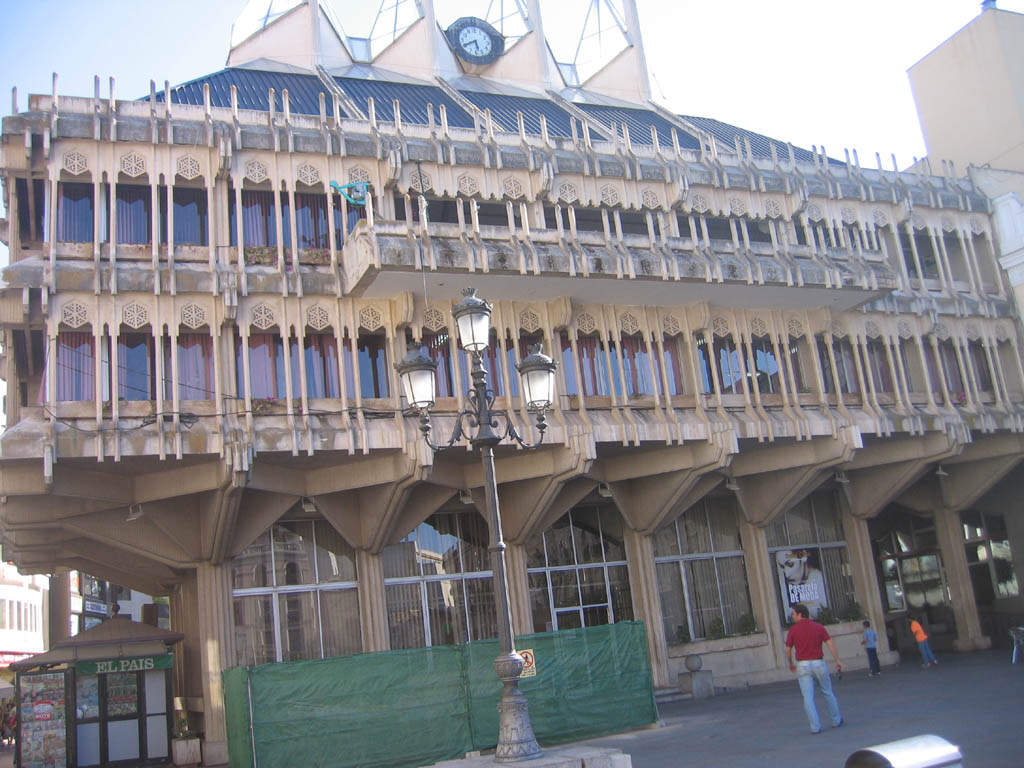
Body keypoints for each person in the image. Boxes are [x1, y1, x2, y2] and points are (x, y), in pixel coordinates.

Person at [785, 603, 843, 734]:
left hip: (803, 664)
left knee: (808, 697)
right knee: (827, 692)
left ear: (800, 614)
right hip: (818, 663)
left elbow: (788, 650)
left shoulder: (793, 630)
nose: (792, 616)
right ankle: (836, 719)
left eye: (793, 614)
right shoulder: (818, 627)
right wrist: (837, 660)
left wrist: (790, 663)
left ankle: (815, 726)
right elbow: (830, 644)